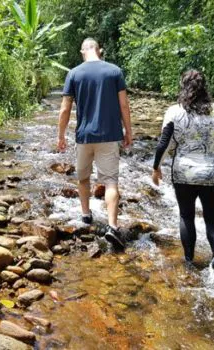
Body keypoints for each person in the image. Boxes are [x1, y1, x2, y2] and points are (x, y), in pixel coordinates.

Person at [151, 70, 214, 270]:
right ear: (204, 87)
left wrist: (156, 168)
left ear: (183, 87)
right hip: (213, 173)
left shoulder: (175, 111)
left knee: (186, 216)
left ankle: (189, 260)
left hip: (184, 174)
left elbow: (164, 143)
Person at [57, 38, 133, 249]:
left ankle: (86, 215)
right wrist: (128, 131)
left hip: (84, 136)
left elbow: (65, 109)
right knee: (110, 182)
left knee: (83, 178)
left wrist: (61, 135)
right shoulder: (114, 71)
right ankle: (112, 226)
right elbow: (124, 105)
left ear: (83, 51)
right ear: (100, 51)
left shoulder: (74, 73)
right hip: (110, 135)